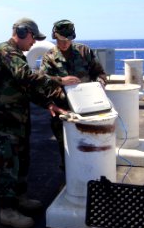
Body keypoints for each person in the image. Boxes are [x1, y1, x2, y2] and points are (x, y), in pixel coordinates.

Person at [0, 17, 80, 228]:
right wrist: (59, 80)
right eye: (33, 38)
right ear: (21, 32)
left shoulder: (17, 54)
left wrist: (49, 104)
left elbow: (24, 88)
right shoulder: (5, 51)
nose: (34, 43)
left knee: (21, 161)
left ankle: (19, 199)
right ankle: (7, 211)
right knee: (7, 164)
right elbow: (26, 76)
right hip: (3, 122)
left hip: (17, 121)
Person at [39, 19, 107, 169]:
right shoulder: (49, 57)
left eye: (68, 40)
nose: (65, 43)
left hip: (88, 108)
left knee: (90, 145)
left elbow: (100, 73)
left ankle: (91, 176)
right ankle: (69, 182)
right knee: (67, 150)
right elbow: (42, 80)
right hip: (64, 110)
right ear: (54, 37)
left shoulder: (84, 51)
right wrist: (61, 81)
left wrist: (99, 84)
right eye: (61, 40)